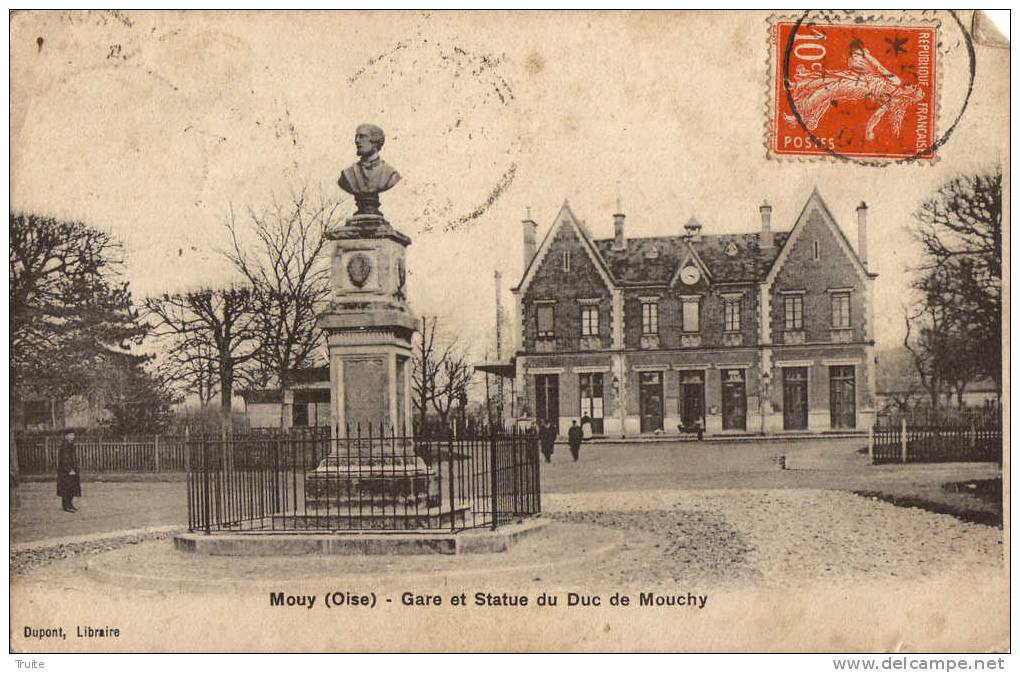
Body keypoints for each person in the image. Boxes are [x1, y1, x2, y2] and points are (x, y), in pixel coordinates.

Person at [57, 429, 81, 513]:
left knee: (71, 489)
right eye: (70, 435)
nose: (72, 437)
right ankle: (66, 506)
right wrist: (69, 470)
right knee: (66, 489)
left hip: (72, 470)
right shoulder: (65, 446)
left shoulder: (70, 444)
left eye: (73, 435)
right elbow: (64, 459)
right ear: (66, 436)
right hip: (66, 471)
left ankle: (70, 505)